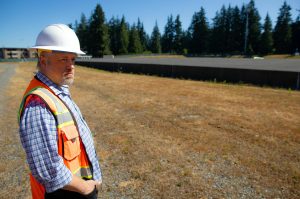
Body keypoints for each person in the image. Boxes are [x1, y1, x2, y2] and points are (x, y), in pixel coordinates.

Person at [18, 24, 102, 199]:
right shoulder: (38, 104)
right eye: (63, 59)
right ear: (43, 60)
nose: (71, 66)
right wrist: (86, 188)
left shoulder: (59, 91)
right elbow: (48, 168)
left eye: (73, 59)